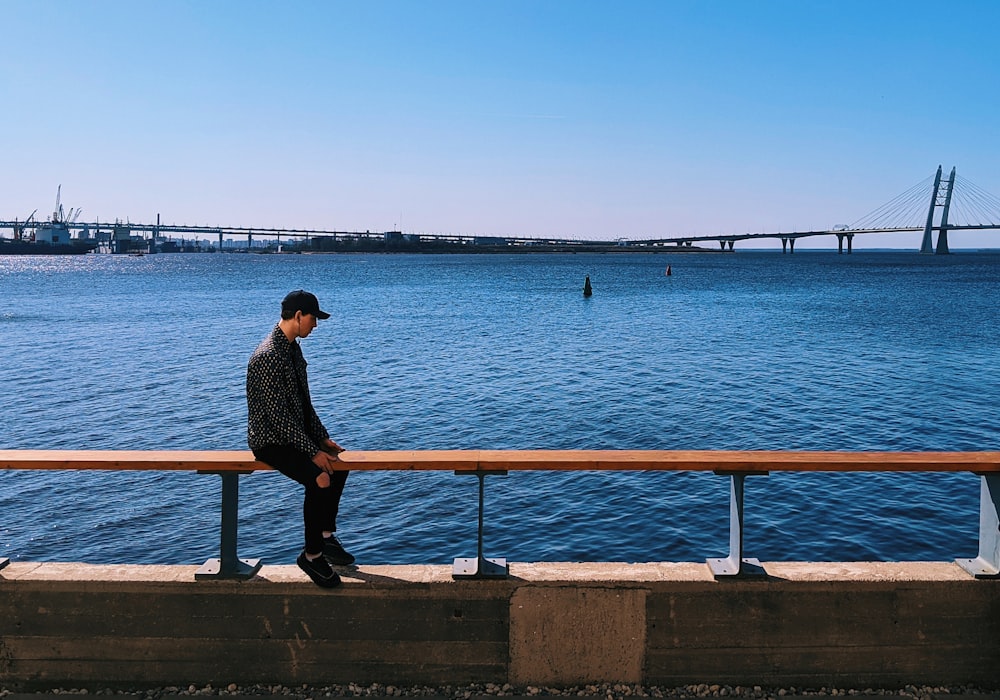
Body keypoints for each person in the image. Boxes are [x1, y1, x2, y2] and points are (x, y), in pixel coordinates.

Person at [246, 289, 353, 588]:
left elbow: (304, 404)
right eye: (313, 319)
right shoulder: (268, 356)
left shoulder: (292, 349)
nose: (315, 326)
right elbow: (277, 418)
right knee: (319, 477)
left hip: (294, 435)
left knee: (338, 465)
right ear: (297, 316)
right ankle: (312, 555)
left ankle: (325, 537)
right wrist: (311, 451)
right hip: (270, 441)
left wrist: (322, 439)